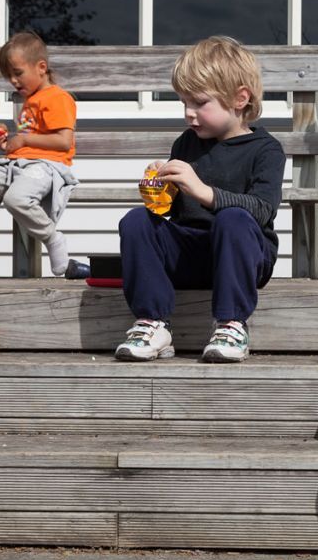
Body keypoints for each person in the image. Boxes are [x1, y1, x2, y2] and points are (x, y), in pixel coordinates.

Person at [114, 36, 284, 363]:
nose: (189, 114)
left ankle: (231, 324)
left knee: (232, 218)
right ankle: (153, 323)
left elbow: (262, 210)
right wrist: (159, 193)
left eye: (199, 103)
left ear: (240, 98)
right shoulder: (186, 143)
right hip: (191, 253)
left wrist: (203, 191)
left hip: (243, 256)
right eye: (183, 103)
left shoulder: (266, 150)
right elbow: (174, 213)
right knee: (136, 220)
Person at [0, 31, 85, 279]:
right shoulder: (31, 101)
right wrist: (7, 143)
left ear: (41, 67)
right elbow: (26, 142)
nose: (12, 80)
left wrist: (23, 139)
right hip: (16, 165)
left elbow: (63, 142)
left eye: (17, 73)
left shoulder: (58, 98)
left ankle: (52, 238)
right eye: (8, 76)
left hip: (46, 166)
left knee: (16, 199)